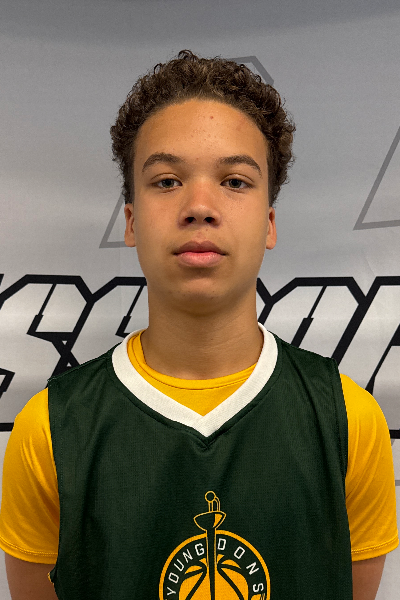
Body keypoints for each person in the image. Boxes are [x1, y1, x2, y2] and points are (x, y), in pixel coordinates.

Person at [0, 49, 398, 600]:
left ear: (269, 223)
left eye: (235, 181)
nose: (200, 206)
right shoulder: (50, 429)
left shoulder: (349, 422)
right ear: (131, 222)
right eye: (167, 181)